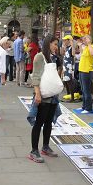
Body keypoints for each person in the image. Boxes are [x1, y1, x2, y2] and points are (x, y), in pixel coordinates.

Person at [29, 34, 61, 163]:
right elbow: (35, 77)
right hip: (43, 96)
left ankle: (45, 147)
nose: (56, 46)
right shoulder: (39, 57)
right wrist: (37, 94)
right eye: (54, 44)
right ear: (48, 44)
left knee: (49, 122)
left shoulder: (53, 58)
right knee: (39, 123)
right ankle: (34, 150)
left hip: (53, 96)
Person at [79, 35, 93, 113]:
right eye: (84, 39)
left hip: (87, 70)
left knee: (86, 90)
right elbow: (81, 54)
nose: (84, 40)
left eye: (86, 39)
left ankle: (88, 108)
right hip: (81, 69)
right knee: (83, 89)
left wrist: (89, 43)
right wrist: (80, 46)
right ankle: (84, 106)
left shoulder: (91, 46)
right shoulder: (85, 47)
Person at [61, 35, 77, 102]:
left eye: (65, 40)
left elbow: (73, 54)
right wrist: (63, 47)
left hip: (69, 67)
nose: (64, 41)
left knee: (70, 82)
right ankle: (69, 95)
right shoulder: (67, 47)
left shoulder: (71, 47)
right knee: (66, 81)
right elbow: (62, 54)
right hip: (65, 66)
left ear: (69, 40)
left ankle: (72, 97)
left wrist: (72, 44)